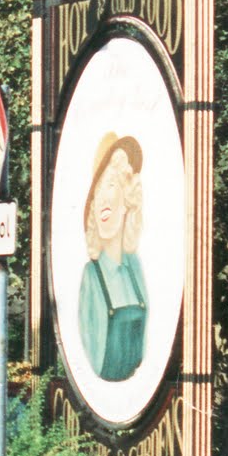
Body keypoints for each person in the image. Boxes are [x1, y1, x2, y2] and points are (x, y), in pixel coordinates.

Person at [77, 132, 147, 382]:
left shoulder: (135, 267)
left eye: (110, 185)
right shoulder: (91, 276)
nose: (102, 200)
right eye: (97, 192)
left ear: (127, 198)